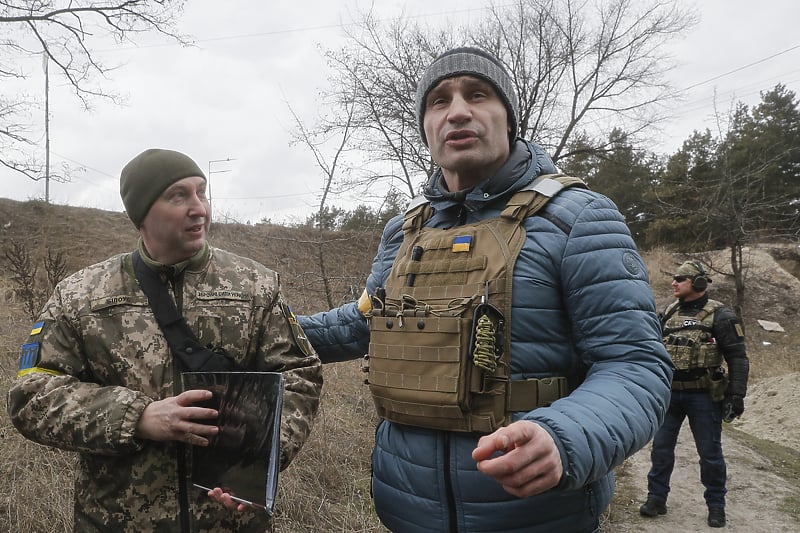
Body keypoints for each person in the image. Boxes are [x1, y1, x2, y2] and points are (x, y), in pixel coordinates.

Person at [298, 46, 673, 532]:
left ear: (509, 119)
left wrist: (564, 437)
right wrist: (258, 327)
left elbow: (636, 364)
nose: (457, 110)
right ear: (427, 128)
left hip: (537, 516)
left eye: (478, 94)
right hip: (406, 513)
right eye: (439, 101)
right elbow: (363, 323)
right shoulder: (405, 229)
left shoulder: (579, 217)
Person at [7, 148, 323, 532]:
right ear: (142, 214)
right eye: (178, 196)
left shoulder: (254, 285)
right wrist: (137, 416)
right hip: (117, 521)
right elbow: (31, 396)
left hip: (230, 521)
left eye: (201, 192)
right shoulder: (81, 296)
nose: (199, 208)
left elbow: (299, 374)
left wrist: (257, 461)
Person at [640, 260, 749, 528]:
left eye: (681, 278)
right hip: (670, 395)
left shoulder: (720, 316)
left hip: (704, 397)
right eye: (674, 278)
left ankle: (716, 506)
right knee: (661, 450)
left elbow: (738, 357)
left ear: (698, 284)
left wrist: (736, 396)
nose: (674, 282)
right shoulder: (668, 313)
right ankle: (656, 499)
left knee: (710, 454)